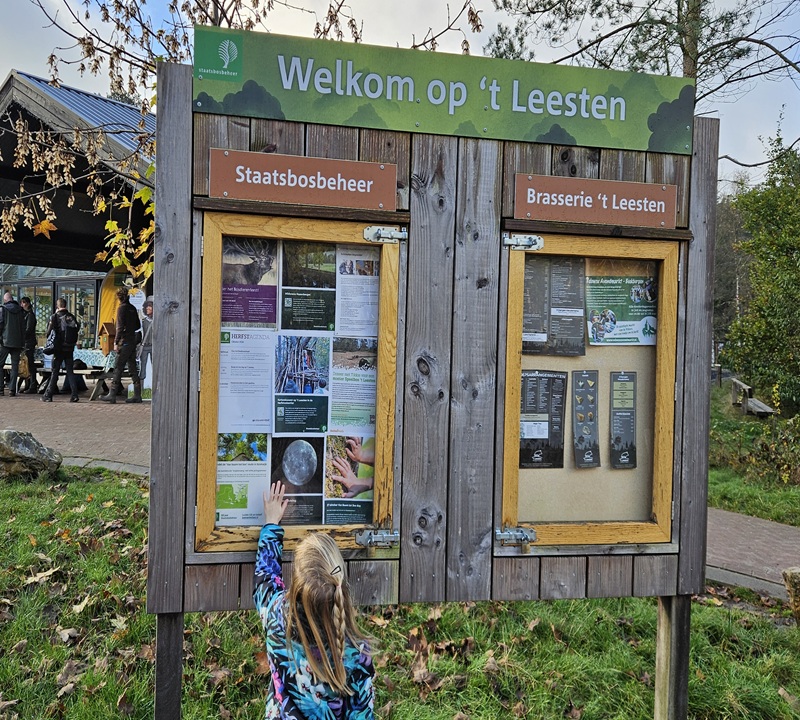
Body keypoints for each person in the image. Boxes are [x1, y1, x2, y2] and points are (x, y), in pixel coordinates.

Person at [255, 482, 375, 719]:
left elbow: (265, 579)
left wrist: (271, 524)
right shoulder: (355, 651)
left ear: (296, 583)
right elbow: (361, 712)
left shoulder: (277, 622)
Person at [101, 288, 142, 404]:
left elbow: (119, 328)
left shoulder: (121, 309)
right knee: (133, 368)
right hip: (132, 342)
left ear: (119, 298)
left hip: (124, 342)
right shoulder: (132, 308)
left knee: (118, 367)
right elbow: (137, 325)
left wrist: (115, 342)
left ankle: (112, 394)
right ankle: (137, 394)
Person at [42, 298, 79, 403]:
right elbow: (77, 328)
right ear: (65, 305)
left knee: (55, 371)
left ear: (57, 306)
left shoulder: (55, 317)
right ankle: (74, 395)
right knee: (70, 371)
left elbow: (48, 332)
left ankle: (48, 395)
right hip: (69, 348)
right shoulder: (71, 316)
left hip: (58, 348)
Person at [0, 291, 26, 397]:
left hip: (5, 342)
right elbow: (23, 328)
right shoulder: (20, 311)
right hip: (17, 343)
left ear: (5, 300)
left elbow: (1, 324)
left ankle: (1, 388)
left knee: (0, 364)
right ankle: (12, 389)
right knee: (15, 367)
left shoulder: (3, 309)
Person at [19, 297, 38, 393]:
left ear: (26, 303)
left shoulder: (30, 315)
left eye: (22, 303)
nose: (21, 305)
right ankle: (28, 384)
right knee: (26, 365)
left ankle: (33, 385)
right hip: (26, 342)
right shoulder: (25, 314)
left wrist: (21, 336)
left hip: (29, 343)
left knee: (30, 364)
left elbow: (29, 330)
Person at [138, 298, 153, 385]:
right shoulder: (143, 321)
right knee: (142, 367)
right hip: (144, 346)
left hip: (154, 346)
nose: (148, 308)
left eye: (150, 306)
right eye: (147, 306)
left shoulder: (156, 321)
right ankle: (141, 387)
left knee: (155, 366)